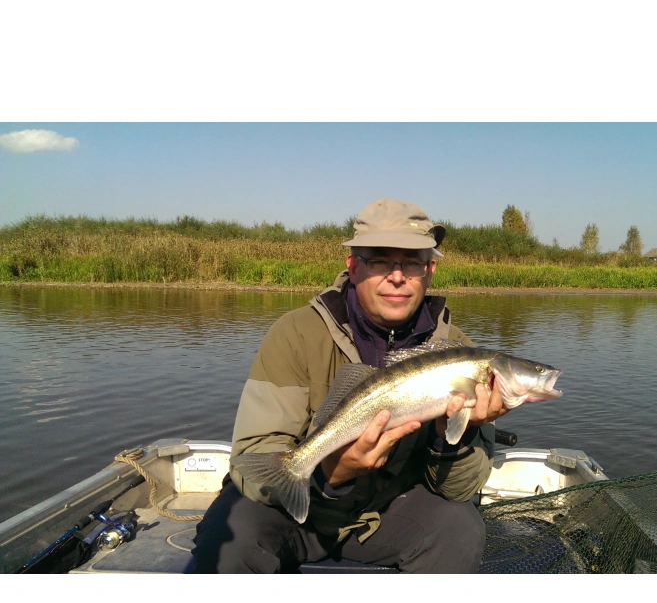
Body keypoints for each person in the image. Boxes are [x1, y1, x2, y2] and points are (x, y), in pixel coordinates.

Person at [191, 198, 509, 573]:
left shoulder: (460, 354)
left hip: (392, 510)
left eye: (412, 263)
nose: (397, 276)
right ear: (353, 266)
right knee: (230, 535)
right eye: (380, 261)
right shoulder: (295, 334)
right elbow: (253, 459)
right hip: (300, 509)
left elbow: (459, 490)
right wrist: (332, 473)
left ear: (430, 270)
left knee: (460, 529)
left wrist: (454, 434)